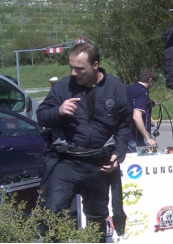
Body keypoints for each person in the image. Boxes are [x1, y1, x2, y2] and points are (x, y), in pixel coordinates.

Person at [36, 42, 132, 242]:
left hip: (98, 164)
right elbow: (42, 116)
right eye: (71, 67)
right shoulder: (64, 86)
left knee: (97, 217)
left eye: (79, 69)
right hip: (66, 162)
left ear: (95, 65)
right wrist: (58, 111)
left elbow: (124, 126)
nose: (74, 73)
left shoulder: (117, 88)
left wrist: (119, 154)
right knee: (53, 215)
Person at [127, 68, 158, 152]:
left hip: (126, 136)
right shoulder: (143, 92)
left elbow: (132, 104)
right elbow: (136, 116)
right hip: (138, 137)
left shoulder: (130, 89)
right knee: (149, 160)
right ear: (150, 80)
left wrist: (149, 103)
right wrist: (147, 137)